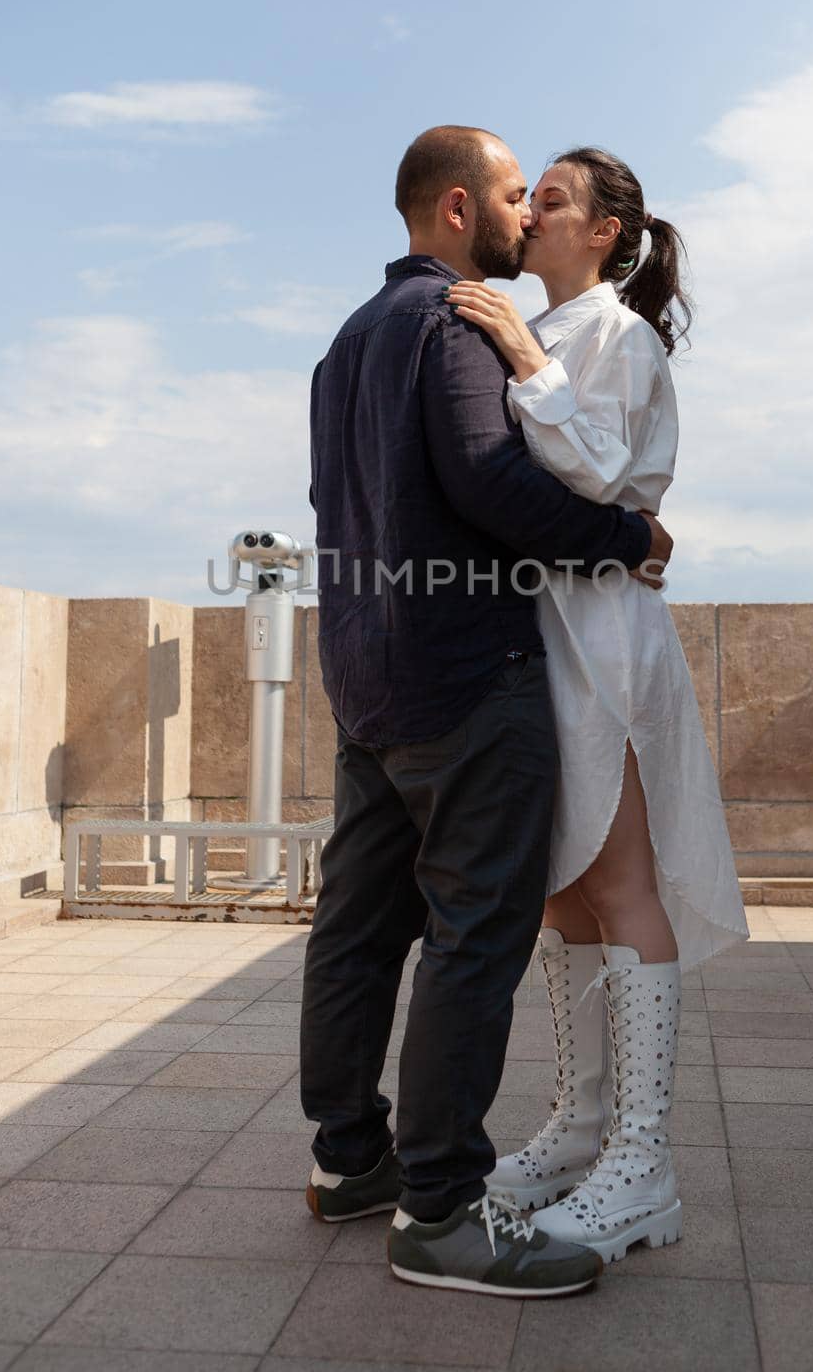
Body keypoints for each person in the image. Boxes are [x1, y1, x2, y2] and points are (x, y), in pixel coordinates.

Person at [300, 125, 673, 1297]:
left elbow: (339, 503)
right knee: (474, 936)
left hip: (364, 677)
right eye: (516, 194)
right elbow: (488, 480)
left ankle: (349, 1159)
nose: (524, 213)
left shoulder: (344, 341)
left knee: (359, 926)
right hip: (465, 673)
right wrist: (625, 538)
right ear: (458, 209)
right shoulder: (450, 317)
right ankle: (442, 1211)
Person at [444, 146, 749, 1264]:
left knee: (619, 885)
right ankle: (576, 1129)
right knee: (562, 897)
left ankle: (641, 1161)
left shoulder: (611, 335)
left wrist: (522, 352)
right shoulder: (546, 327)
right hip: (538, 640)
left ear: (607, 233)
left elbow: (605, 476)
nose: (529, 216)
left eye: (553, 201)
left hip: (603, 639)